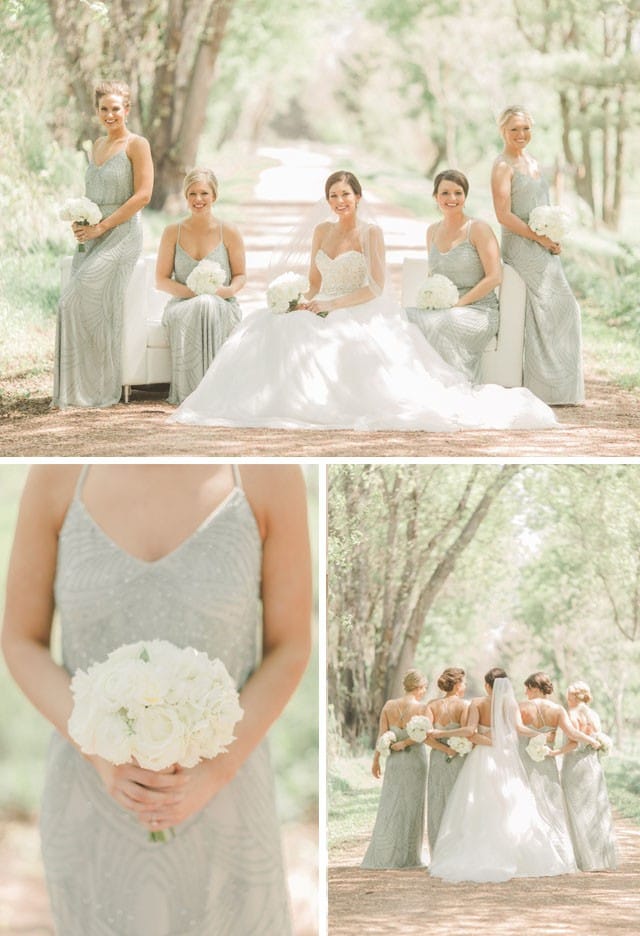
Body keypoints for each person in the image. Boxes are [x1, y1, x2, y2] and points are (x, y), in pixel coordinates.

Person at [1, 463, 312, 934]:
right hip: (92, 800)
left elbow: (289, 646)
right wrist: (98, 749)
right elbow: (21, 639)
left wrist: (213, 771)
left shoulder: (268, 474)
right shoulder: (57, 476)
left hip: (226, 797)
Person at [170, 170, 557, 431]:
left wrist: (333, 307)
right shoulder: (322, 231)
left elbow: (375, 287)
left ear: (358, 197)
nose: (340, 201)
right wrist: (296, 300)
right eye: (334, 196)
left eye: (346, 195)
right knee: (266, 325)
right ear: (328, 200)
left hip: (359, 309)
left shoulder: (371, 233)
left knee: (332, 340)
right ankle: (264, 402)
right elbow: (314, 281)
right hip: (322, 303)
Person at [53, 80, 154, 408]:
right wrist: (82, 220)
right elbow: (93, 193)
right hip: (92, 234)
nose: (110, 115)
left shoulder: (137, 145)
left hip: (121, 235)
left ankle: (97, 388)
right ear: (97, 111)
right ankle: (75, 387)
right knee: (71, 305)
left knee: (73, 298)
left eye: (116, 108)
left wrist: (103, 226)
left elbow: (143, 195)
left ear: (127, 109)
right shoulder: (96, 145)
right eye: (104, 109)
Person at [430, 668, 576, 882]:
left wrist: (484, 740)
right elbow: (518, 729)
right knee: (509, 801)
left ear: (488, 685)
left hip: (482, 758)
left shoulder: (477, 703)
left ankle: (478, 852)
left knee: (478, 803)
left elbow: (470, 732)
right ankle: (517, 853)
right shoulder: (511, 704)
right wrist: (539, 734)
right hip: (505, 758)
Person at [491, 105, 584, 404]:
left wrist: (553, 236)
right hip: (521, 245)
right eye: (514, 129)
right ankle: (541, 386)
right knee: (558, 305)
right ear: (503, 131)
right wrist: (539, 239)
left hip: (543, 243)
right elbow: (503, 215)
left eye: (526, 128)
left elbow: (542, 206)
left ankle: (559, 387)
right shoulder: (502, 166)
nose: (521, 134)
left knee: (566, 308)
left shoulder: (533, 162)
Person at [156, 169, 246, 404]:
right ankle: (193, 393)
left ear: (214, 196)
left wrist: (226, 291)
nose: (198, 199)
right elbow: (162, 280)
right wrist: (194, 293)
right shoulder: (171, 232)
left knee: (208, 304)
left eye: (204, 193)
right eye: (192, 194)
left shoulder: (229, 232)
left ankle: (216, 391)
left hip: (223, 304)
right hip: (182, 306)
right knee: (202, 304)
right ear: (185, 197)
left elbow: (240, 276)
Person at [405, 171, 501, 382]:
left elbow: (494, 277)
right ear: (435, 197)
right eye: (445, 193)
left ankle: (452, 382)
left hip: (479, 309)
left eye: (458, 193)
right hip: (445, 308)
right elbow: (433, 275)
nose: (452, 198)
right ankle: (416, 381)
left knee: (444, 321)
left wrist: (459, 304)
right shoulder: (431, 231)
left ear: (465, 197)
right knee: (403, 317)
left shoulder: (478, 229)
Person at [519, 672, 598, 868]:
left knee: (527, 800)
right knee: (550, 803)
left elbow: (516, 730)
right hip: (547, 759)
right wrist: (592, 741)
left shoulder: (521, 707)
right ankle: (557, 854)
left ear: (536, 688)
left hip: (525, 759)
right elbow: (572, 733)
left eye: (528, 687)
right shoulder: (558, 709)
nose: (525, 691)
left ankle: (529, 852)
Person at [361, 669, 430, 868]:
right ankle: (408, 857)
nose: (424, 692)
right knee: (411, 805)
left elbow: (382, 735)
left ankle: (388, 852)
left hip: (394, 761)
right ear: (418, 688)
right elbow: (424, 736)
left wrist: (376, 760)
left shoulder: (389, 706)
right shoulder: (422, 708)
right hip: (415, 760)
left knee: (392, 803)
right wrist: (407, 743)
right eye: (424, 688)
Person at [552, 681, 617, 871]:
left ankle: (581, 858)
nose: (567, 698)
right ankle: (599, 856)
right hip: (593, 764)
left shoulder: (571, 714)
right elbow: (597, 738)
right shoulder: (594, 714)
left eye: (568, 695)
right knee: (594, 807)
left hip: (575, 764)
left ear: (573, 697)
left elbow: (573, 743)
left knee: (574, 806)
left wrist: (556, 753)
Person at [423, 666, 473, 852]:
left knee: (437, 801)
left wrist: (443, 748)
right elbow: (468, 733)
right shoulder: (465, 706)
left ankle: (438, 850)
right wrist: (451, 749)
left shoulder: (431, 705)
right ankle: (458, 850)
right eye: (464, 682)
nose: (465, 685)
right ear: (458, 684)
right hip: (459, 757)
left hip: (438, 757)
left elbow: (426, 736)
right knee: (459, 801)